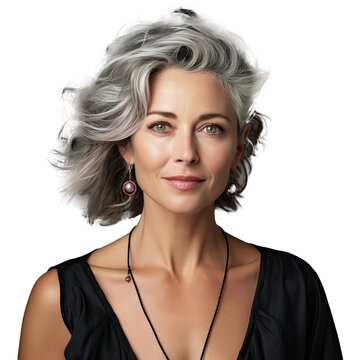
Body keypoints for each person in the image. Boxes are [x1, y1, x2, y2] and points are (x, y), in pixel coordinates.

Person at [18, 7, 343, 360]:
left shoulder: (295, 289)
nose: (186, 153)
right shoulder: (59, 299)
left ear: (238, 146)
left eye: (211, 128)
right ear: (125, 143)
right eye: (161, 126)